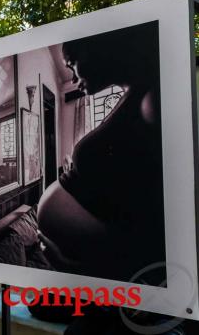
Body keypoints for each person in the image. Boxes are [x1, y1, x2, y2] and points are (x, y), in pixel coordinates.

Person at [37, 21, 165, 282]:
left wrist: (77, 268)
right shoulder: (133, 96)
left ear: (97, 47)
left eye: (72, 63)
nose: (72, 78)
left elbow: (155, 225)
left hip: (110, 278)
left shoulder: (154, 97)